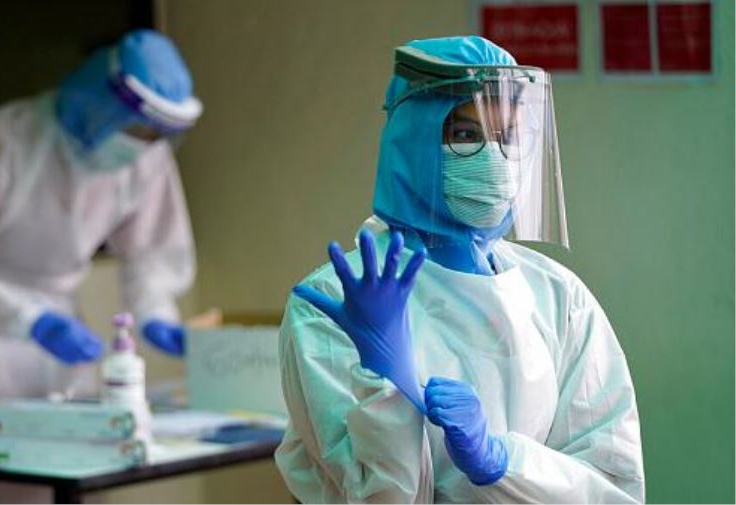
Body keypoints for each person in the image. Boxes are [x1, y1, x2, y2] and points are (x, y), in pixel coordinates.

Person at [275, 36, 644, 503]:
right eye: (466, 135)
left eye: (509, 137)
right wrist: (386, 385)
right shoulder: (335, 302)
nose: (495, 158)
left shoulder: (557, 296)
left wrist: (501, 462)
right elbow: (380, 498)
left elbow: (613, 485)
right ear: (412, 142)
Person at [0, 29, 202, 411]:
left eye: (156, 134)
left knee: (74, 433)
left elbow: (151, 249)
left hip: (66, 338)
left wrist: (156, 312)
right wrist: (31, 321)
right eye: (136, 128)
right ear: (101, 101)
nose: (142, 142)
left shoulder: (146, 156)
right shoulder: (0, 140)